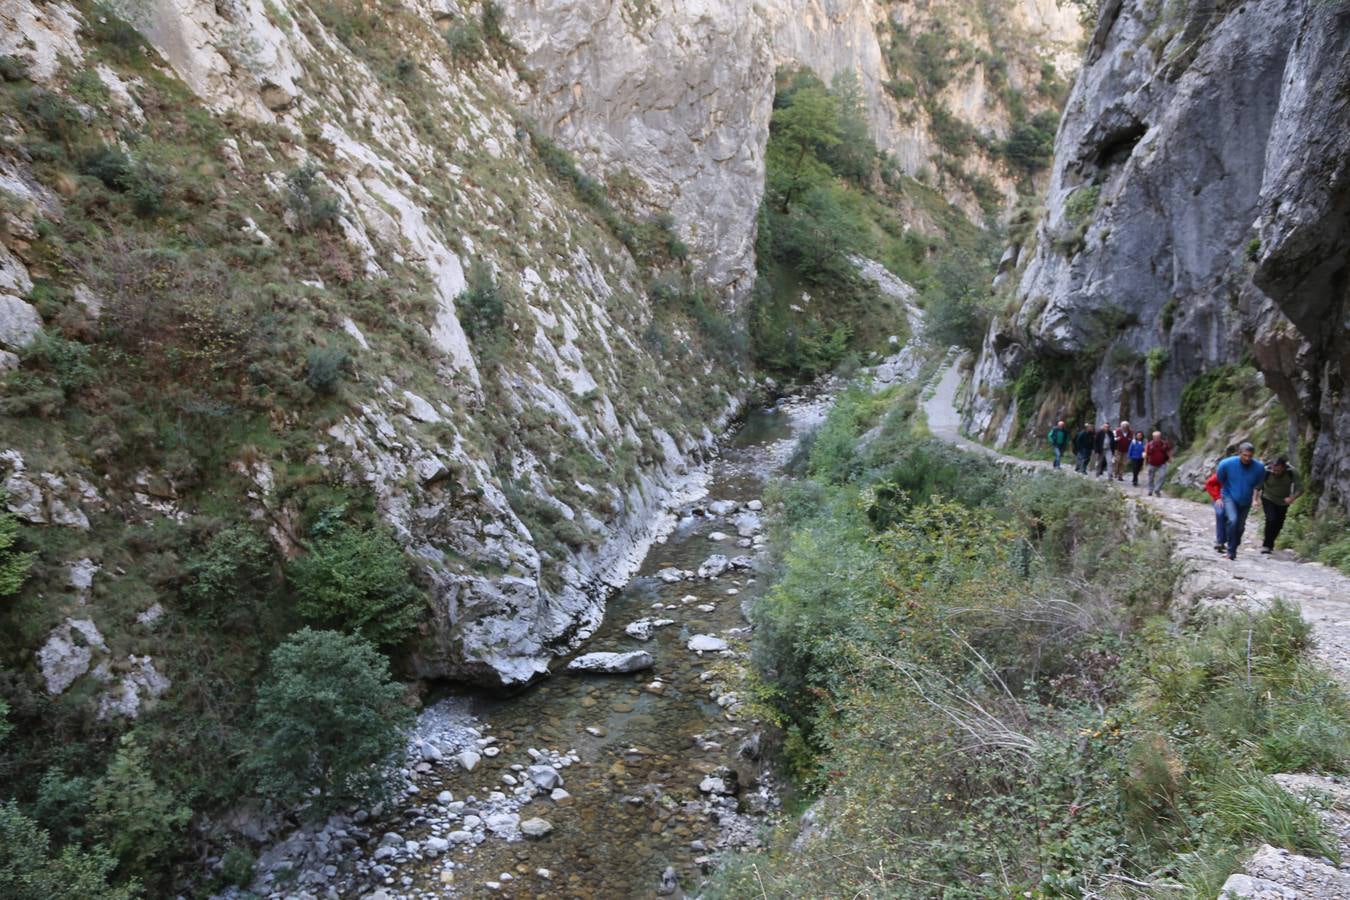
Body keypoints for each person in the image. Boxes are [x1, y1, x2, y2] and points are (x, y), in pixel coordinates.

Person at [1216, 442, 1267, 560]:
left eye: (1250, 456)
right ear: (1239, 453)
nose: (1247, 458)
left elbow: (1259, 483)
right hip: (1229, 496)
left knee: (1240, 527)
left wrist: (1255, 498)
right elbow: (1220, 478)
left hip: (1246, 499)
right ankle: (1231, 551)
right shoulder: (1226, 464)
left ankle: (1234, 545)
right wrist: (1227, 489)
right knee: (1233, 520)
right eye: (1245, 455)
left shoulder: (1259, 468)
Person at [1259, 456, 1300, 555]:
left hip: (1283, 501)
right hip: (1268, 497)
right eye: (1274, 469)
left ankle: (1270, 542)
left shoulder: (1292, 472)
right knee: (1271, 519)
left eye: (1278, 470)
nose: (1275, 472)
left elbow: (1300, 488)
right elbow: (1257, 486)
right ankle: (1266, 545)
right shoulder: (1266, 471)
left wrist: (1292, 498)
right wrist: (1254, 499)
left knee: (1279, 524)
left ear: (1284, 468)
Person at [1204, 466, 1227, 553]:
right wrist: (1217, 497)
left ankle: (1225, 540)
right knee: (1220, 514)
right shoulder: (1221, 474)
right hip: (1219, 498)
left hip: (1233, 499)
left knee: (1230, 519)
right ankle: (1220, 541)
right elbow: (1209, 483)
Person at [1145, 430, 1173, 496]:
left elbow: (1169, 450)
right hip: (1152, 463)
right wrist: (1146, 461)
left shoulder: (1164, 444)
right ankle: (1150, 490)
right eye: (1155, 437)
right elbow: (1146, 453)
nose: (1157, 438)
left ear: (1160, 437)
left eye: (1158, 437)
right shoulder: (1149, 444)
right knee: (1151, 477)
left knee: (1162, 476)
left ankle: (1157, 489)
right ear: (1153, 437)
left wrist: (1170, 458)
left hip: (1162, 463)